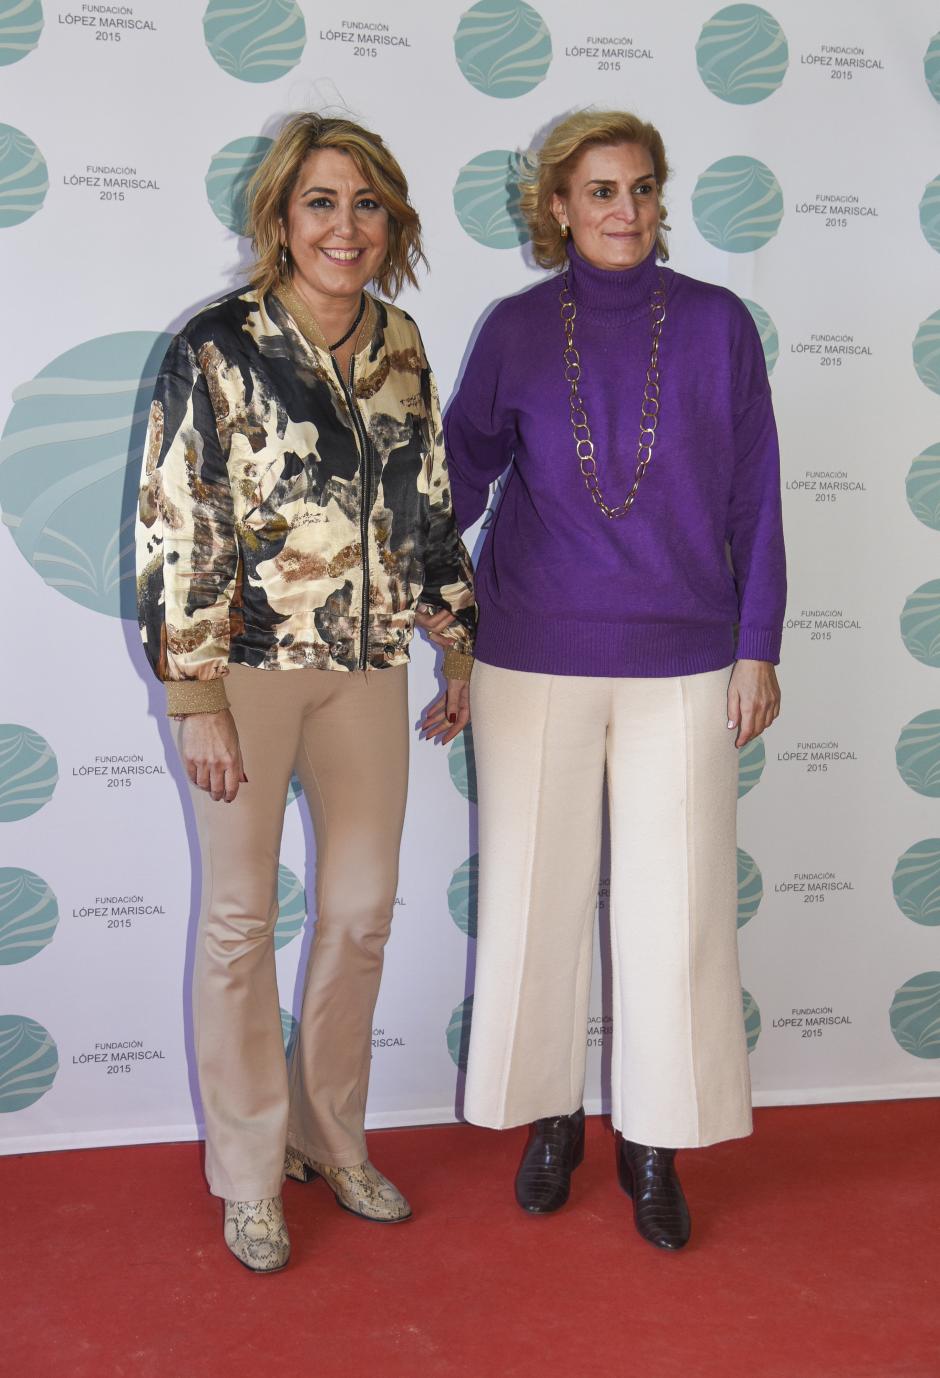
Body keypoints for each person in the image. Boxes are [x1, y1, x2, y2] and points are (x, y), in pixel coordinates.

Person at [135, 113, 475, 1273]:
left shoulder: (401, 345)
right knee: (239, 923)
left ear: (393, 224)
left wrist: (458, 639)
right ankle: (246, 1170)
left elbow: (428, 506)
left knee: (361, 913)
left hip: (368, 670)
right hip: (244, 668)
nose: (346, 226)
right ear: (280, 217)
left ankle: (329, 1136)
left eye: (368, 203)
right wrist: (195, 699)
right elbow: (180, 525)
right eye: (322, 202)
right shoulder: (215, 347)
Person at [442, 110, 785, 1250]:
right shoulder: (515, 330)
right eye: (598, 191)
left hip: (685, 658)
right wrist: (432, 620)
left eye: (640, 187)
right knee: (533, 904)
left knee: (675, 915)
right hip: (529, 655)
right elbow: (454, 480)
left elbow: (756, 497)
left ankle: (656, 1142)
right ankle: (552, 1121)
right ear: (558, 206)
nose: (624, 210)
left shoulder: (719, 325)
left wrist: (758, 642)